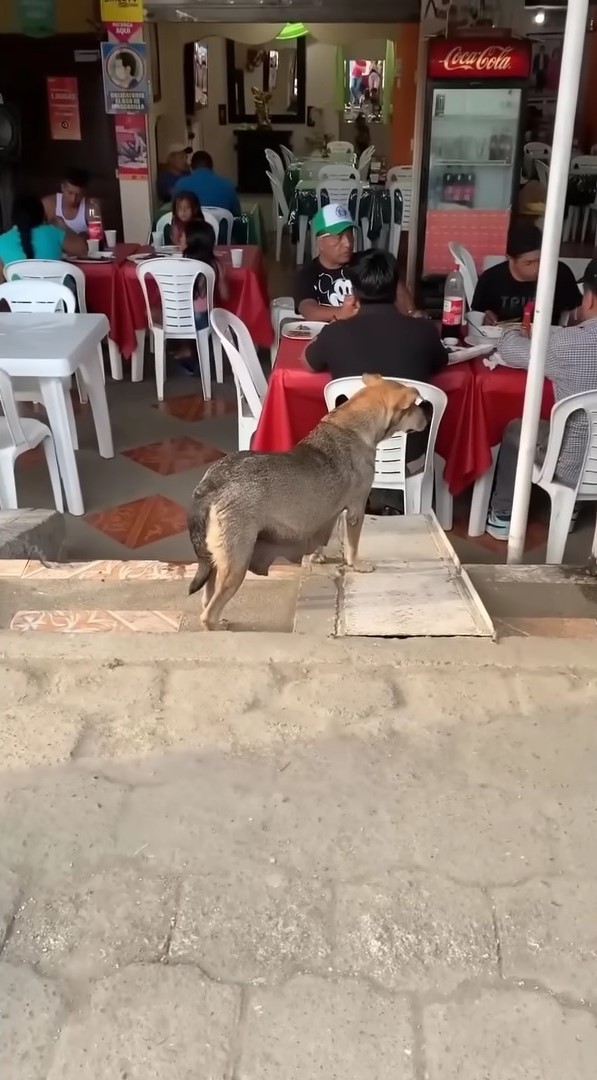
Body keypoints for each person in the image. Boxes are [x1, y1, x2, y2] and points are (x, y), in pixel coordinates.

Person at [485, 258, 597, 541]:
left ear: (591, 299)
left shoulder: (572, 343)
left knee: (516, 429)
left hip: (571, 466)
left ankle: (503, 515)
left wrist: (513, 329)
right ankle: (569, 509)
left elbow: (511, 351)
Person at [304, 249, 448, 381]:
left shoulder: (334, 333)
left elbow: (307, 362)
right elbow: (440, 364)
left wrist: (337, 320)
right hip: (408, 410)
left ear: (354, 291)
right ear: (396, 287)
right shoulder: (425, 331)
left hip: (355, 410)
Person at [294, 203, 421, 323]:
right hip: (332, 336)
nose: (347, 244)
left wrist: (411, 313)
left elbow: (394, 282)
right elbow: (308, 309)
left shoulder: (365, 262)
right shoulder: (308, 273)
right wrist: (342, 313)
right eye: (339, 237)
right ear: (320, 242)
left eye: (350, 235)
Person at [471, 223, 582, 326]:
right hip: (502, 340)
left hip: (547, 340)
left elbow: (577, 311)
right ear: (510, 259)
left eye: (540, 260)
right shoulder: (490, 279)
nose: (537, 268)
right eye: (528, 263)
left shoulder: (560, 273)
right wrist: (485, 317)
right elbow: (476, 317)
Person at [0, 195, 87, 280]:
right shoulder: (53, 232)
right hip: (55, 294)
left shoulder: (2, 241)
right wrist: (63, 226)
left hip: (16, 294)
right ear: (42, 214)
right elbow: (83, 250)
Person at [172, 150, 241, 217]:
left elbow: (175, 213)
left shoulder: (180, 185)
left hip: (189, 228)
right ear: (211, 167)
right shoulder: (228, 185)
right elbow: (237, 215)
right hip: (220, 229)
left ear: (192, 167)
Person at [42, 167, 91, 236]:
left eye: (79, 195)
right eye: (70, 193)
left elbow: (99, 239)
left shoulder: (91, 207)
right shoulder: (48, 203)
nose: (73, 199)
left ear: (84, 192)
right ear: (63, 187)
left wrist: (65, 229)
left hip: (80, 246)